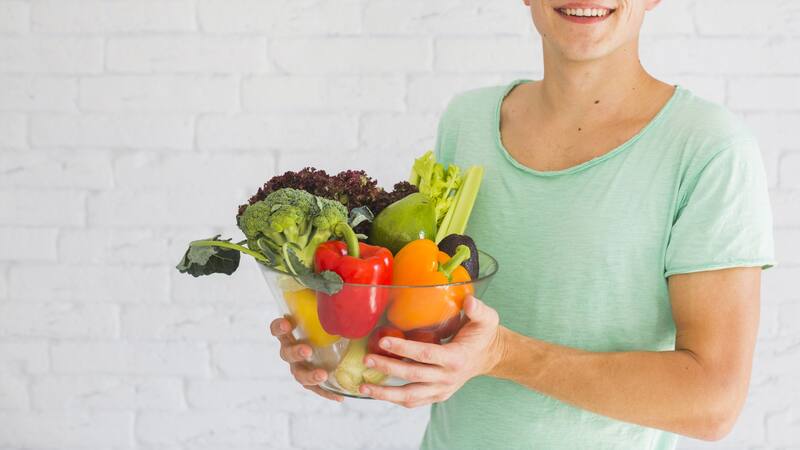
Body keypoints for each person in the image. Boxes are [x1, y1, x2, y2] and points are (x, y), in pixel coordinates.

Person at [270, 0, 776, 448]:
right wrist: (339, 351)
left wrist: (503, 353)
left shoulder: (708, 149)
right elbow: (432, 325)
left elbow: (713, 402)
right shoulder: (467, 122)